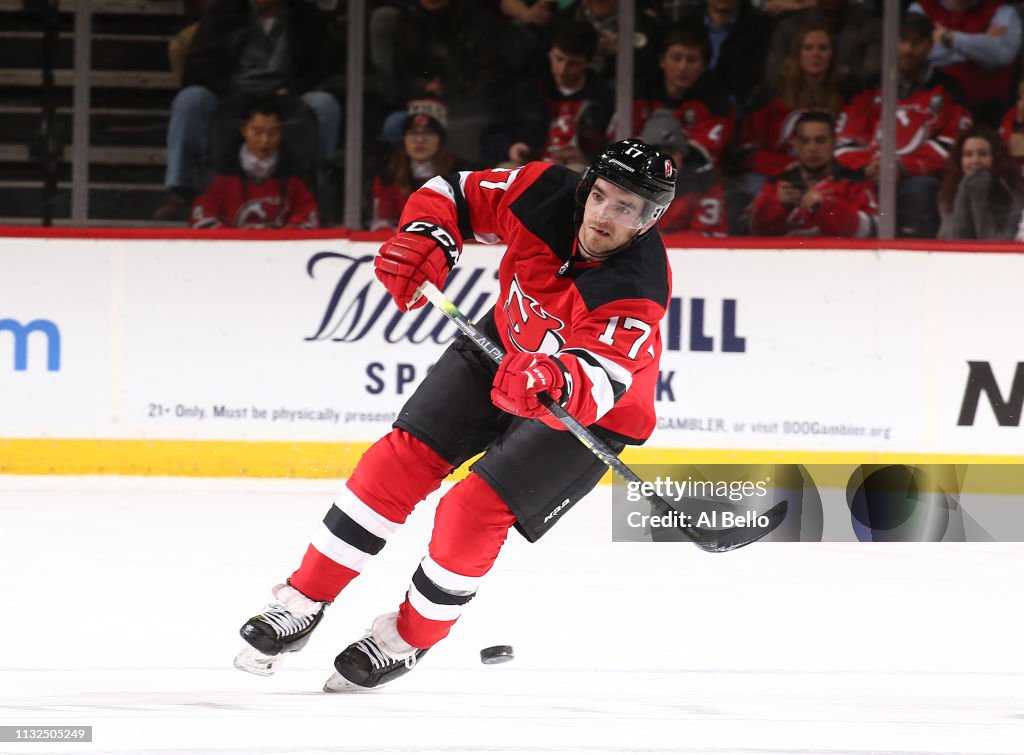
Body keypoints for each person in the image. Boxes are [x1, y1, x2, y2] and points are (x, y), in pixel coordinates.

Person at [235, 139, 677, 691]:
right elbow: (452, 193)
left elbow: (605, 375)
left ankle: (406, 640)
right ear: (586, 186)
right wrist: (428, 234)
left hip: (580, 409)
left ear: (649, 219)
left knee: (470, 513)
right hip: (504, 345)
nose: (602, 216)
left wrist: (553, 377)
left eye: (625, 208)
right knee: (393, 464)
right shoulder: (541, 191)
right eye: (601, 196)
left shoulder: (637, 286)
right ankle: (302, 602)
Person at [153, 0, 342, 221]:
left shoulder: (305, 16)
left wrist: (293, 89)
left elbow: (322, 68)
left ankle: (320, 186)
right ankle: (180, 190)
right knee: (191, 99)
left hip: (287, 99)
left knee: (325, 104)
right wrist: (229, 90)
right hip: (230, 96)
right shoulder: (224, 12)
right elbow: (200, 66)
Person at [834, 13, 972, 237]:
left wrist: (903, 167)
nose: (907, 49)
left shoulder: (948, 89)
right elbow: (844, 142)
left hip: (917, 178)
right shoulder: (868, 87)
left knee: (921, 189)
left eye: (916, 42)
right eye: (901, 40)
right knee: (842, 187)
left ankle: (916, 257)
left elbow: (953, 146)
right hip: (869, 174)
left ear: (930, 45)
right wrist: (867, 165)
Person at [479, 20, 613, 171]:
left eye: (573, 64)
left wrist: (588, 157)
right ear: (549, 53)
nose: (562, 70)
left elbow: (615, 145)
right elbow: (490, 138)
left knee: (577, 171)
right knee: (506, 171)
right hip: (531, 167)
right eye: (559, 58)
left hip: (576, 171)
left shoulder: (604, 98)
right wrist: (511, 148)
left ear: (588, 62)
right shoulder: (525, 94)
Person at [738, 21, 852, 196]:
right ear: (798, 54)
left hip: (828, 174)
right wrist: (784, 166)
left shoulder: (847, 93)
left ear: (832, 56)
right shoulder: (771, 93)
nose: (816, 54)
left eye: (823, 48)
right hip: (777, 172)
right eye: (808, 48)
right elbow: (748, 149)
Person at [190, 95, 319, 229]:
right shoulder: (221, 172)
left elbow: (307, 216)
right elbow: (202, 218)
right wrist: (239, 239)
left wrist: (277, 237)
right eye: (257, 132)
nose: (265, 140)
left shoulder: (294, 173)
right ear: (244, 130)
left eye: (272, 133)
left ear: (281, 133)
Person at [617, 25, 736, 168]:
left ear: (703, 66)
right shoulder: (638, 93)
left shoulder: (717, 103)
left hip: (696, 182)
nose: (683, 67)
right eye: (676, 58)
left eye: (691, 60)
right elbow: (617, 142)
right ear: (662, 61)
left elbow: (704, 155)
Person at [746, 111, 878, 237]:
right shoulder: (777, 183)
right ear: (796, 145)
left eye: (820, 141)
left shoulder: (855, 182)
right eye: (805, 141)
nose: (812, 148)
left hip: (836, 258)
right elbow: (748, 230)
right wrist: (778, 206)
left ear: (833, 143)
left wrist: (827, 208)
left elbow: (874, 230)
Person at [907, 0, 1021, 125]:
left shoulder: (1002, 11)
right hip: (934, 109)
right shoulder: (921, 9)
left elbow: (1002, 55)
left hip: (990, 112)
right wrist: (980, 45)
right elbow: (916, 53)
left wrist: (949, 37)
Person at [370, 101, 465, 231]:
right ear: (404, 139)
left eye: (428, 133)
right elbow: (382, 222)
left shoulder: (460, 175)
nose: (420, 140)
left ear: (440, 140)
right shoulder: (387, 176)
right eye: (413, 133)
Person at [641, 108, 728, 235]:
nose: (664, 162)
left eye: (671, 153)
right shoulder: (628, 183)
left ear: (683, 154)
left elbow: (709, 237)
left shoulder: (706, 182)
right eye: (656, 154)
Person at [937, 127, 1024, 239]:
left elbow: (995, 243)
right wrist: (964, 190)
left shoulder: (1012, 191)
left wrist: (978, 194)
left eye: (982, 154)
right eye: (968, 154)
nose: (975, 161)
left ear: (996, 158)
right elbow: (952, 240)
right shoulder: (947, 193)